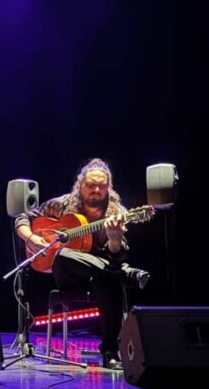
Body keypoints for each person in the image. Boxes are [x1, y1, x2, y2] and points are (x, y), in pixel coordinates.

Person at [15, 158, 149, 370]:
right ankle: (127, 274)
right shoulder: (63, 204)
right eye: (91, 185)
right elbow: (23, 218)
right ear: (80, 185)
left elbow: (116, 257)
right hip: (68, 273)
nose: (96, 190)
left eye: (101, 186)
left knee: (109, 278)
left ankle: (110, 353)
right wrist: (31, 238)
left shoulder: (116, 213)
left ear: (109, 187)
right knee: (63, 253)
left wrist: (115, 239)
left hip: (99, 278)